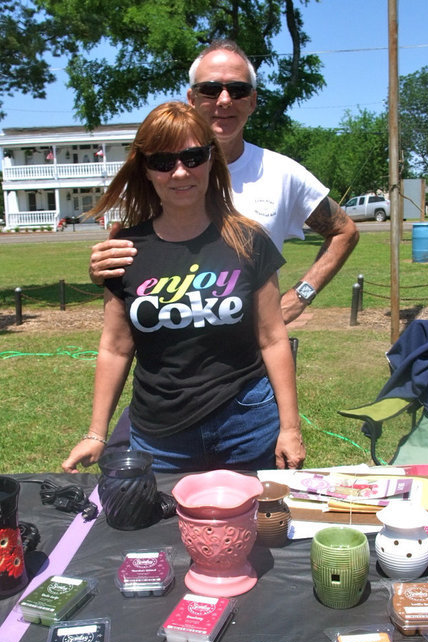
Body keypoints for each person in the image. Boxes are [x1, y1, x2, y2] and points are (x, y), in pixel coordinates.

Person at [62, 101, 305, 474]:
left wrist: (290, 429)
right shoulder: (124, 248)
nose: (179, 172)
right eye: (163, 161)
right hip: (159, 437)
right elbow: (115, 346)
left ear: (212, 159)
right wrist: (97, 433)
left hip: (247, 425)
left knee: (252, 530)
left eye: (193, 157)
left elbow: (273, 338)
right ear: (145, 170)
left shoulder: (247, 239)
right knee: (161, 532)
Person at [88, 39, 359, 325]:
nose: (225, 100)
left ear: (253, 101)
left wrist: (300, 296)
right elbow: (131, 266)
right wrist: (102, 270)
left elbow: (344, 231)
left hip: (256, 355)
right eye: (211, 89)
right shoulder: (160, 173)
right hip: (170, 356)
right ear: (192, 99)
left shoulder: (283, 173)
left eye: (238, 90)